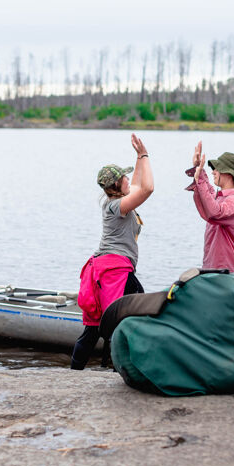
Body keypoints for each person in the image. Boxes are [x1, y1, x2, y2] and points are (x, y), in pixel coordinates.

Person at [71, 133, 153, 370]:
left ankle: (83, 370)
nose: (128, 179)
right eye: (124, 177)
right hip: (113, 271)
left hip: (110, 269)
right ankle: (123, 367)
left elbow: (137, 185)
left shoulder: (120, 200)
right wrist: (146, 156)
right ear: (116, 185)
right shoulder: (117, 205)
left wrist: (139, 157)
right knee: (135, 312)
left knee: (96, 327)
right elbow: (147, 188)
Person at [186, 142, 234, 273]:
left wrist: (200, 180)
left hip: (229, 274)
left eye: (217, 169)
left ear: (229, 174)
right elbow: (208, 194)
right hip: (213, 271)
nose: (213, 172)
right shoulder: (221, 197)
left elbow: (215, 212)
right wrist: (198, 168)